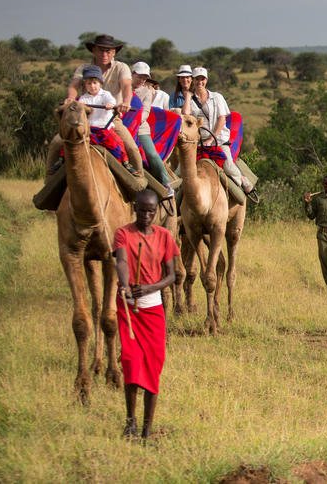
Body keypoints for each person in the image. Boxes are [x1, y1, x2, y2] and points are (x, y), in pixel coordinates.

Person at [113, 189, 179, 440]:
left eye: (152, 211)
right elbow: (121, 260)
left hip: (153, 309)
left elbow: (172, 275)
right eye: (142, 211)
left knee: (153, 367)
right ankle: (130, 422)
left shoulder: (164, 236)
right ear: (134, 208)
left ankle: (147, 429)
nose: (147, 216)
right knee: (130, 362)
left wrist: (150, 287)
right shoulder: (122, 233)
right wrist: (125, 284)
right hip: (129, 308)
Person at [47, 34, 142, 177]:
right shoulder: (84, 68)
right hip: (84, 120)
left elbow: (127, 86)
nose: (104, 54)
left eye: (108, 51)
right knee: (56, 144)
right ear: (94, 51)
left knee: (132, 148)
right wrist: (71, 99)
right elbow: (74, 86)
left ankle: (138, 185)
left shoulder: (121, 67)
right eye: (101, 50)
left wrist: (126, 102)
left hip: (110, 119)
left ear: (114, 52)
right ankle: (49, 185)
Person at [181, 67, 255, 196]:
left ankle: (243, 181)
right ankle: (176, 200)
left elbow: (221, 119)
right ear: (193, 80)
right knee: (181, 170)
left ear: (206, 80)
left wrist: (211, 139)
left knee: (228, 166)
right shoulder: (191, 99)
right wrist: (187, 96)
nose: (200, 82)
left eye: (202, 79)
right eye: (197, 79)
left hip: (218, 140)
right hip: (198, 142)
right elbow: (186, 115)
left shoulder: (217, 97)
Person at [131, 61, 175, 208]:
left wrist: (134, 121)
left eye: (145, 77)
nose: (142, 80)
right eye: (140, 76)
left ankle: (165, 183)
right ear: (132, 74)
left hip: (139, 128)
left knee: (152, 155)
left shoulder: (146, 92)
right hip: (119, 125)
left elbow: (145, 112)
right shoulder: (122, 87)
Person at [78, 65, 117, 129]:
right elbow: (79, 108)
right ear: (85, 85)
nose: (92, 86)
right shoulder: (83, 98)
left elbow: (112, 100)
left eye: (95, 83)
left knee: (120, 138)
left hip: (105, 126)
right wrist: (80, 107)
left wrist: (110, 104)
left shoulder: (105, 94)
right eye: (89, 83)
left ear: (100, 84)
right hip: (89, 127)